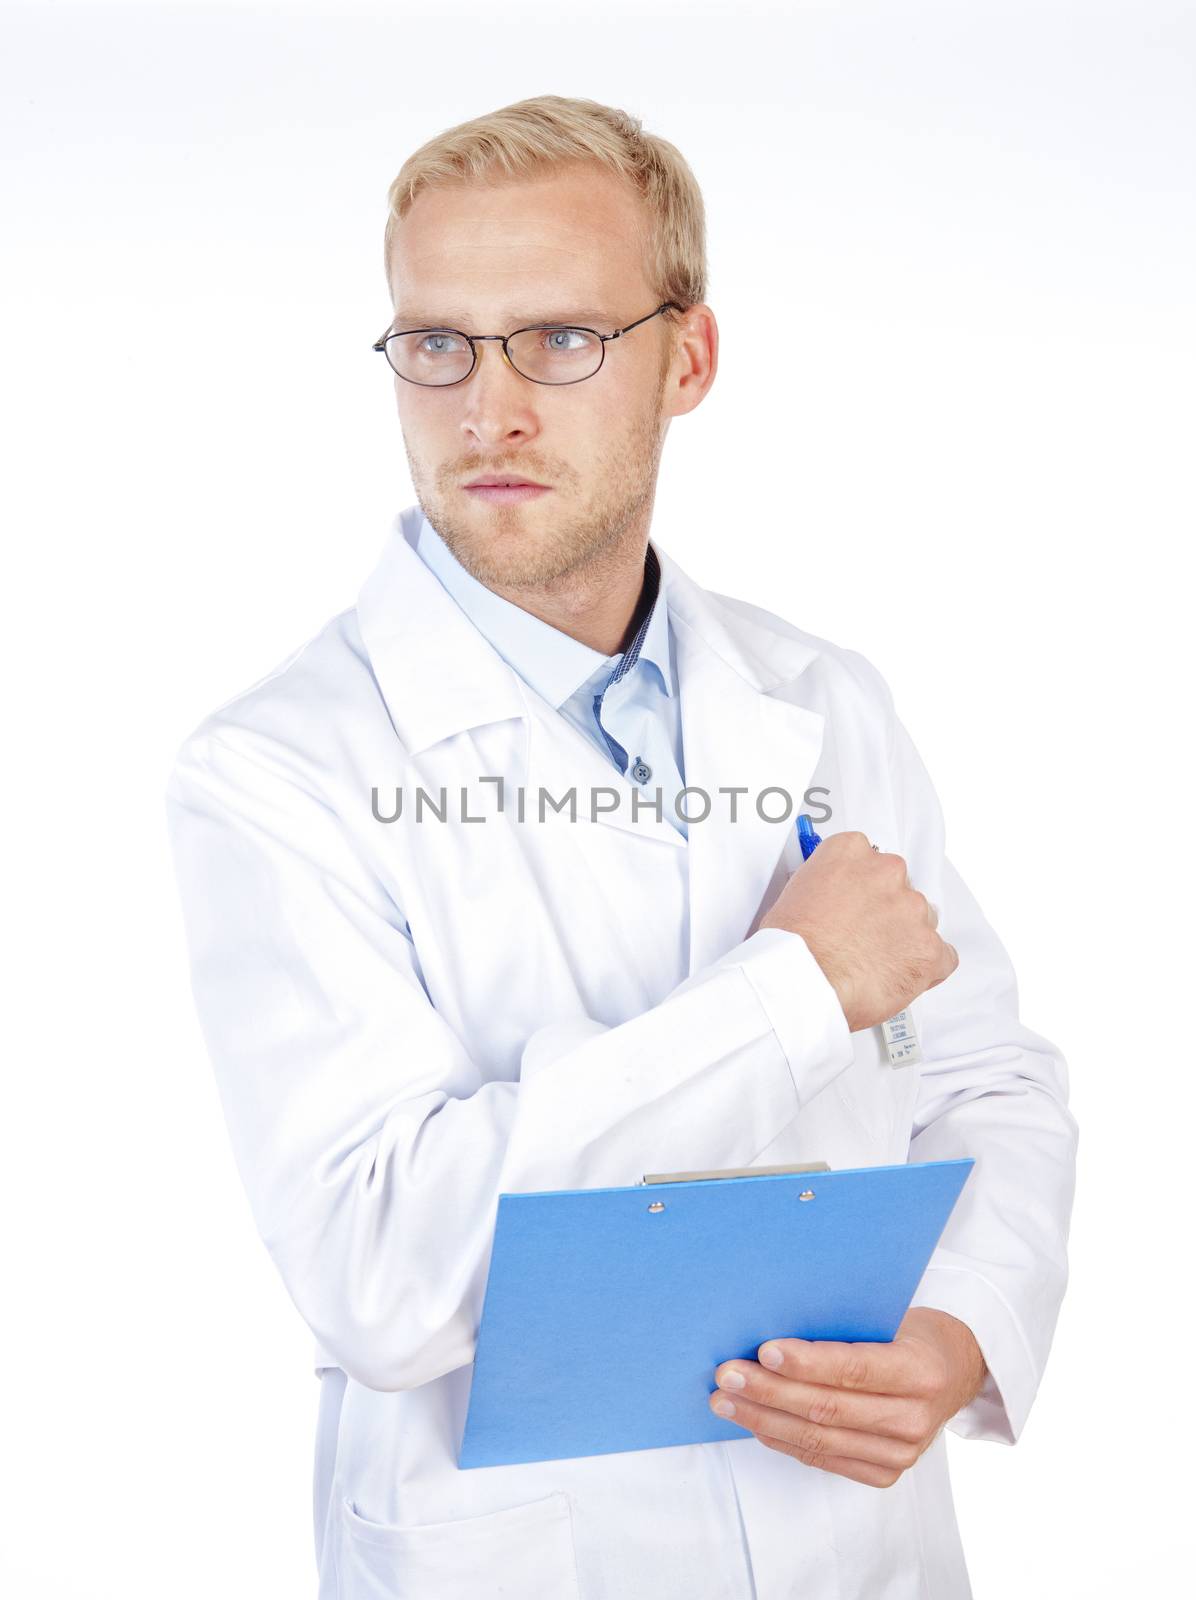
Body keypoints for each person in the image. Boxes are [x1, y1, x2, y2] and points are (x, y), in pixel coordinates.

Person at [164, 94, 1077, 1600]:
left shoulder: (817, 700)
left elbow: (986, 1080)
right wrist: (790, 992)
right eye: (437, 343)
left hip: (858, 1548)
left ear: (688, 359)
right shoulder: (278, 770)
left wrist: (963, 1326)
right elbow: (382, 1273)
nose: (489, 409)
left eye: (563, 341)